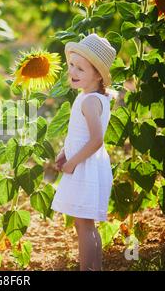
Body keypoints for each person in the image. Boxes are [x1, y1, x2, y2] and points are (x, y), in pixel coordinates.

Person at [51, 33, 117, 271]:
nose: (73, 72)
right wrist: (64, 152)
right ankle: (94, 267)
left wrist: (72, 163)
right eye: (71, 65)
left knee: (85, 226)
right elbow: (79, 135)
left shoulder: (89, 102)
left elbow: (96, 140)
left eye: (80, 68)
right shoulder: (90, 97)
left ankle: (88, 268)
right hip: (87, 164)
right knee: (85, 225)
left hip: (85, 167)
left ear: (98, 75)